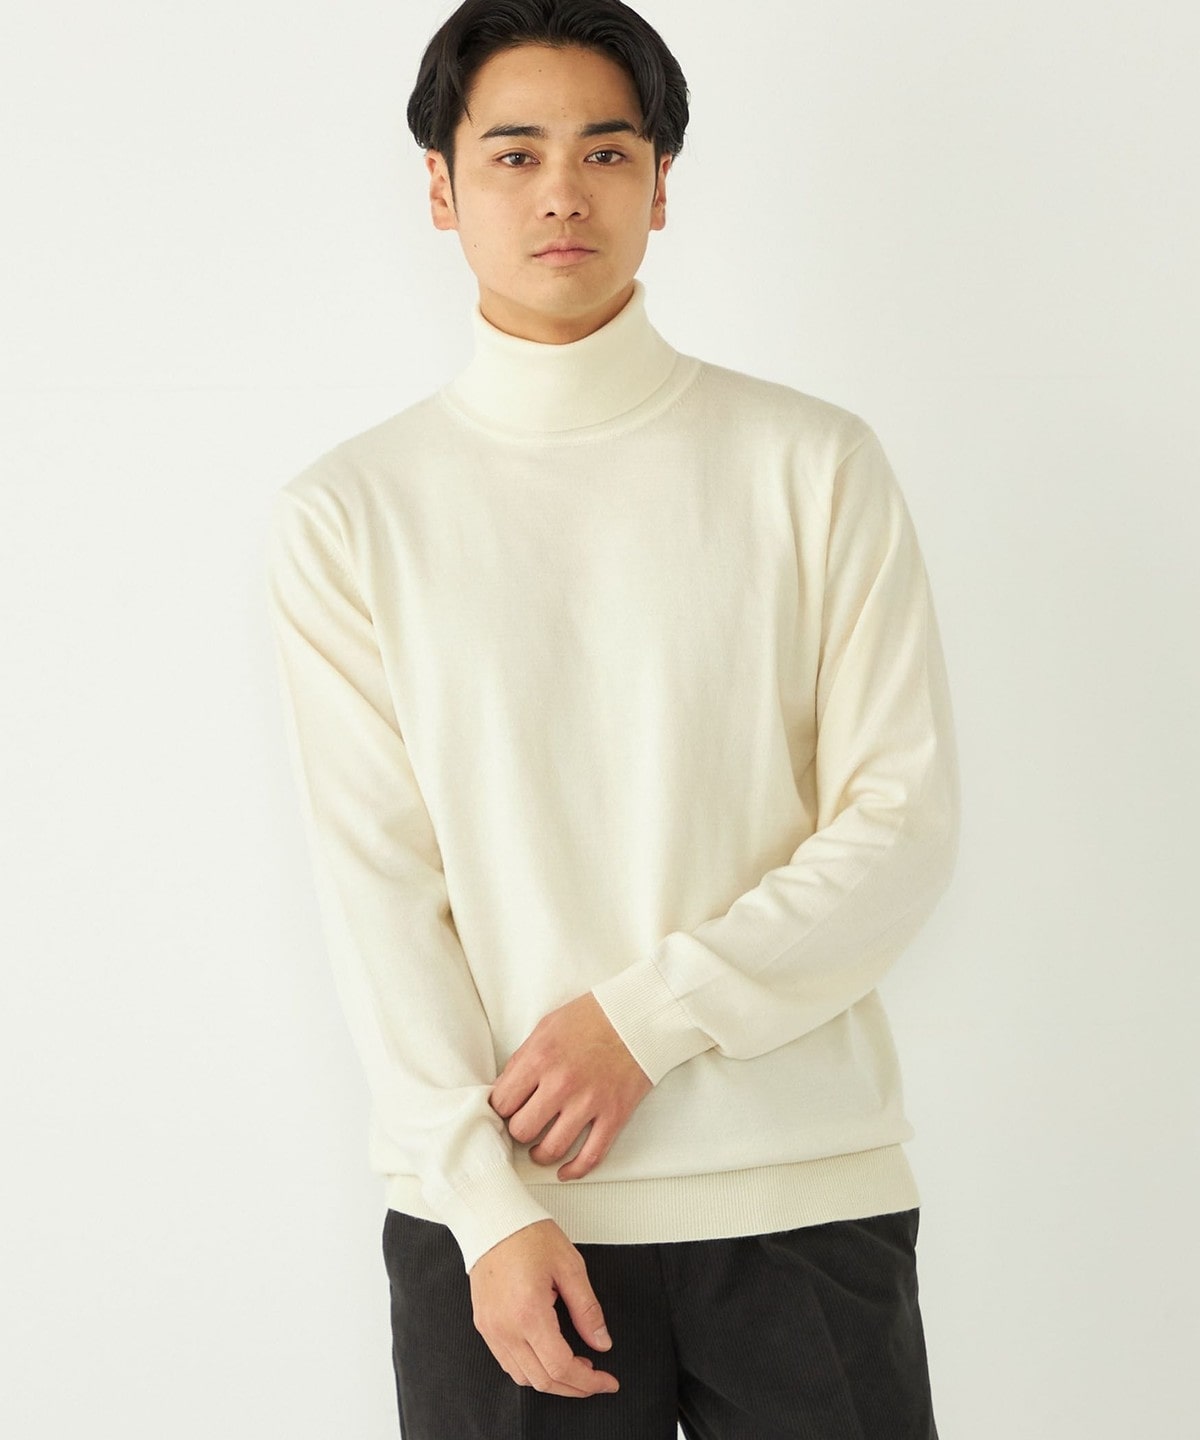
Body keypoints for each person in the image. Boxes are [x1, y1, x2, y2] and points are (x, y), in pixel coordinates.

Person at [264, 1, 961, 1435]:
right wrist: (482, 1202)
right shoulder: (351, 514)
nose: (562, 193)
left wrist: (639, 1023)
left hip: (798, 1194)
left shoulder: (812, 465)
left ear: (661, 184)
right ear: (442, 187)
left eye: (607, 151)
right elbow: (379, 889)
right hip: (506, 1226)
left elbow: (901, 824)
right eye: (514, 154)